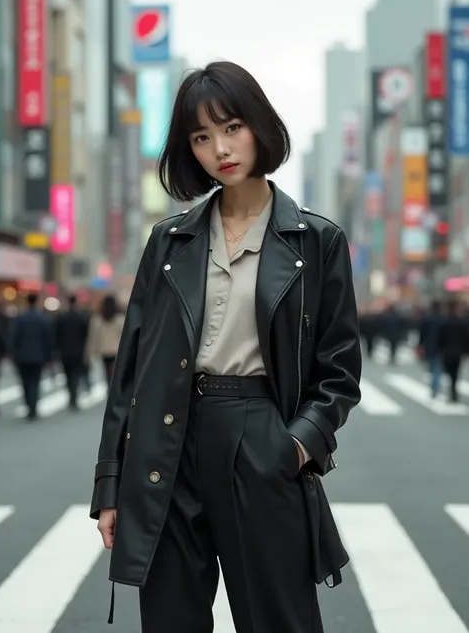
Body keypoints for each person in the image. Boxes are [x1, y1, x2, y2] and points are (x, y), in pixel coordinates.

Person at [90, 61, 362, 632]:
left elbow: (339, 370)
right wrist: (111, 484)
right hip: (168, 445)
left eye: (232, 127)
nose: (220, 148)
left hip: (258, 436)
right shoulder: (171, 239)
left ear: (259, 126)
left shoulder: (316, 241)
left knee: (276, 619)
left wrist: (292, 448)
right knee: (170, 619)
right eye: (201, 136)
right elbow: (131, 370)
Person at [10, 293, 52, 421]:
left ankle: (29, 405)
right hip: (38, 356)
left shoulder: (20, 319)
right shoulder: (43, 319)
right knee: (35, 382)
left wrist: (13, 354)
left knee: (25, 382)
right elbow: (48, 340)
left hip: (22, 356)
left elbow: (14, 338)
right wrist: (49, 356)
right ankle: (33, 407)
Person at [55, 294, 89, 410]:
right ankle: (74, 397)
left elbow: (56, 335)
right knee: (76, 375)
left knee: (67, 375)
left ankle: (71, 396)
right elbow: (86, 335)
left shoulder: (61, 317)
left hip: (64, 352)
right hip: (78, 351)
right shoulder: (82, 317)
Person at [86, 294, 124, 386]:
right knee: (117, 374)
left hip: (104, 351)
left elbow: (93, 338)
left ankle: (109, 388)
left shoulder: (97, 320)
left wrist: (89, 353)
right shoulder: (121, 319)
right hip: (116, 351)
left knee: (107, 373)